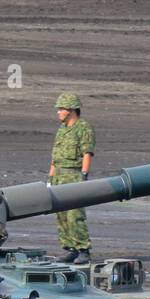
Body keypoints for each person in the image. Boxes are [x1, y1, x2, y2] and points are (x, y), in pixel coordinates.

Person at [48, 92, 95, 264]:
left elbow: (87, 153)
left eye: (61, 109)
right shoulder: (62, 130)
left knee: (75, 215)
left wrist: (83, 176)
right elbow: (55, 155)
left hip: (73, 175)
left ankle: (83, 249)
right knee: (61, 214)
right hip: (59, 176)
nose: (58, 112)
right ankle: (70, 249)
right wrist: (50, 177)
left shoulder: (83, 128)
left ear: (71, 110)